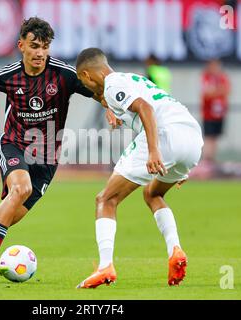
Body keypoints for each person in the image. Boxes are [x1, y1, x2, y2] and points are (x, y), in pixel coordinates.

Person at [0, 17, 105, 282]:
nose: (40, 53)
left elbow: (98, 91)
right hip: (14, 145)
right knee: (20, 189)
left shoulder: (63, 75)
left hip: (47, 159)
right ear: (21, 45)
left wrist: (112, 110)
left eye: (45, 47)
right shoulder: (8, 75)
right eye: (34, 46)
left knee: (2, 222)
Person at [74, 48, 204, 288]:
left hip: (164, 137)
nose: (88, 87)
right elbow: (126, 100)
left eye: (84, 82)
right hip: (192, 139)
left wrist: (155, 151)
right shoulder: (131, 79)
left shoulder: (113, 85)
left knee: (106, 199)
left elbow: (145, 108)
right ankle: (175, 250)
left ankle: (105, 267)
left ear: (87, 75)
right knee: (153, 193)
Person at [200, 59, 230, 164]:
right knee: (208, 136)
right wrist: (218, 91)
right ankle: (206, 159)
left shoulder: (222, 77)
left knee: (215, 137)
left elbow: (226, 90)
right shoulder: (206, 77)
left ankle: (211, 158)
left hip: (219, 113)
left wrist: (215, 91)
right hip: (208, 113)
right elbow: (207, 93)